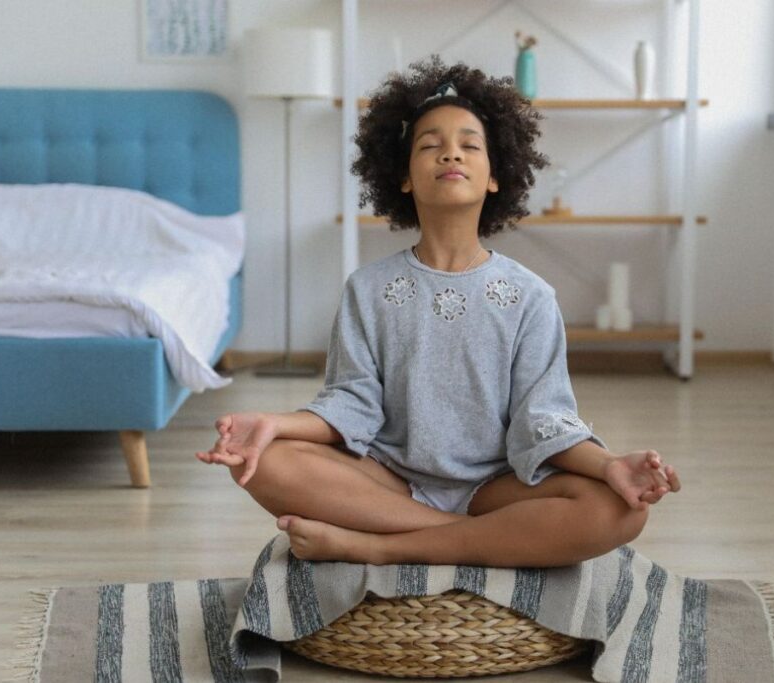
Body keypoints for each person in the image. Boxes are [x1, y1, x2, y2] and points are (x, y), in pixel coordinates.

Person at [197, 56, 681, 568]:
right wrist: (275, 423)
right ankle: (487, 539)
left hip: (497, 486)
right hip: (388, 481)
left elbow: (543, 420)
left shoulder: (532, 296)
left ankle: (378, 546)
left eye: (470, 145)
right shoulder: (368, 289)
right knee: (263, 461)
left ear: (495, 176)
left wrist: (609, 466)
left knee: (619, 511)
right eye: (429, 145)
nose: (451, 153)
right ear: (404, 178)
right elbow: (351, 405)